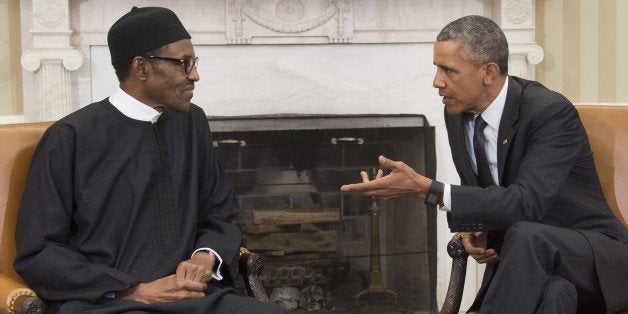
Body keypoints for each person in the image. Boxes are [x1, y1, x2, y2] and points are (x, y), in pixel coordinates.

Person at [341, 15, 628, 313]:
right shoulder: (456, 113)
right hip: (538, 270)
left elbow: (526, 203)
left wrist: (430, 190)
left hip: (597, 260)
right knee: (556, 294)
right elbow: (481, 190)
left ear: (489, 72)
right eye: (437, 68)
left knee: (527, 234)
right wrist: (474, 229)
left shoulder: (550, 113)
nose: (437, 81)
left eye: (448, 70)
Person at [14, 6, 283, 314]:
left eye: (193, 62)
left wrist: (204, 255)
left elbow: (220, 212)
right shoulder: (70, 137)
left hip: (192, 297)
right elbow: (39, 252)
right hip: (109, 301)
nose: (194, 74)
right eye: (183, 63)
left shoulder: (192, 122)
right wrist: (133, 290)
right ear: (142, 68)